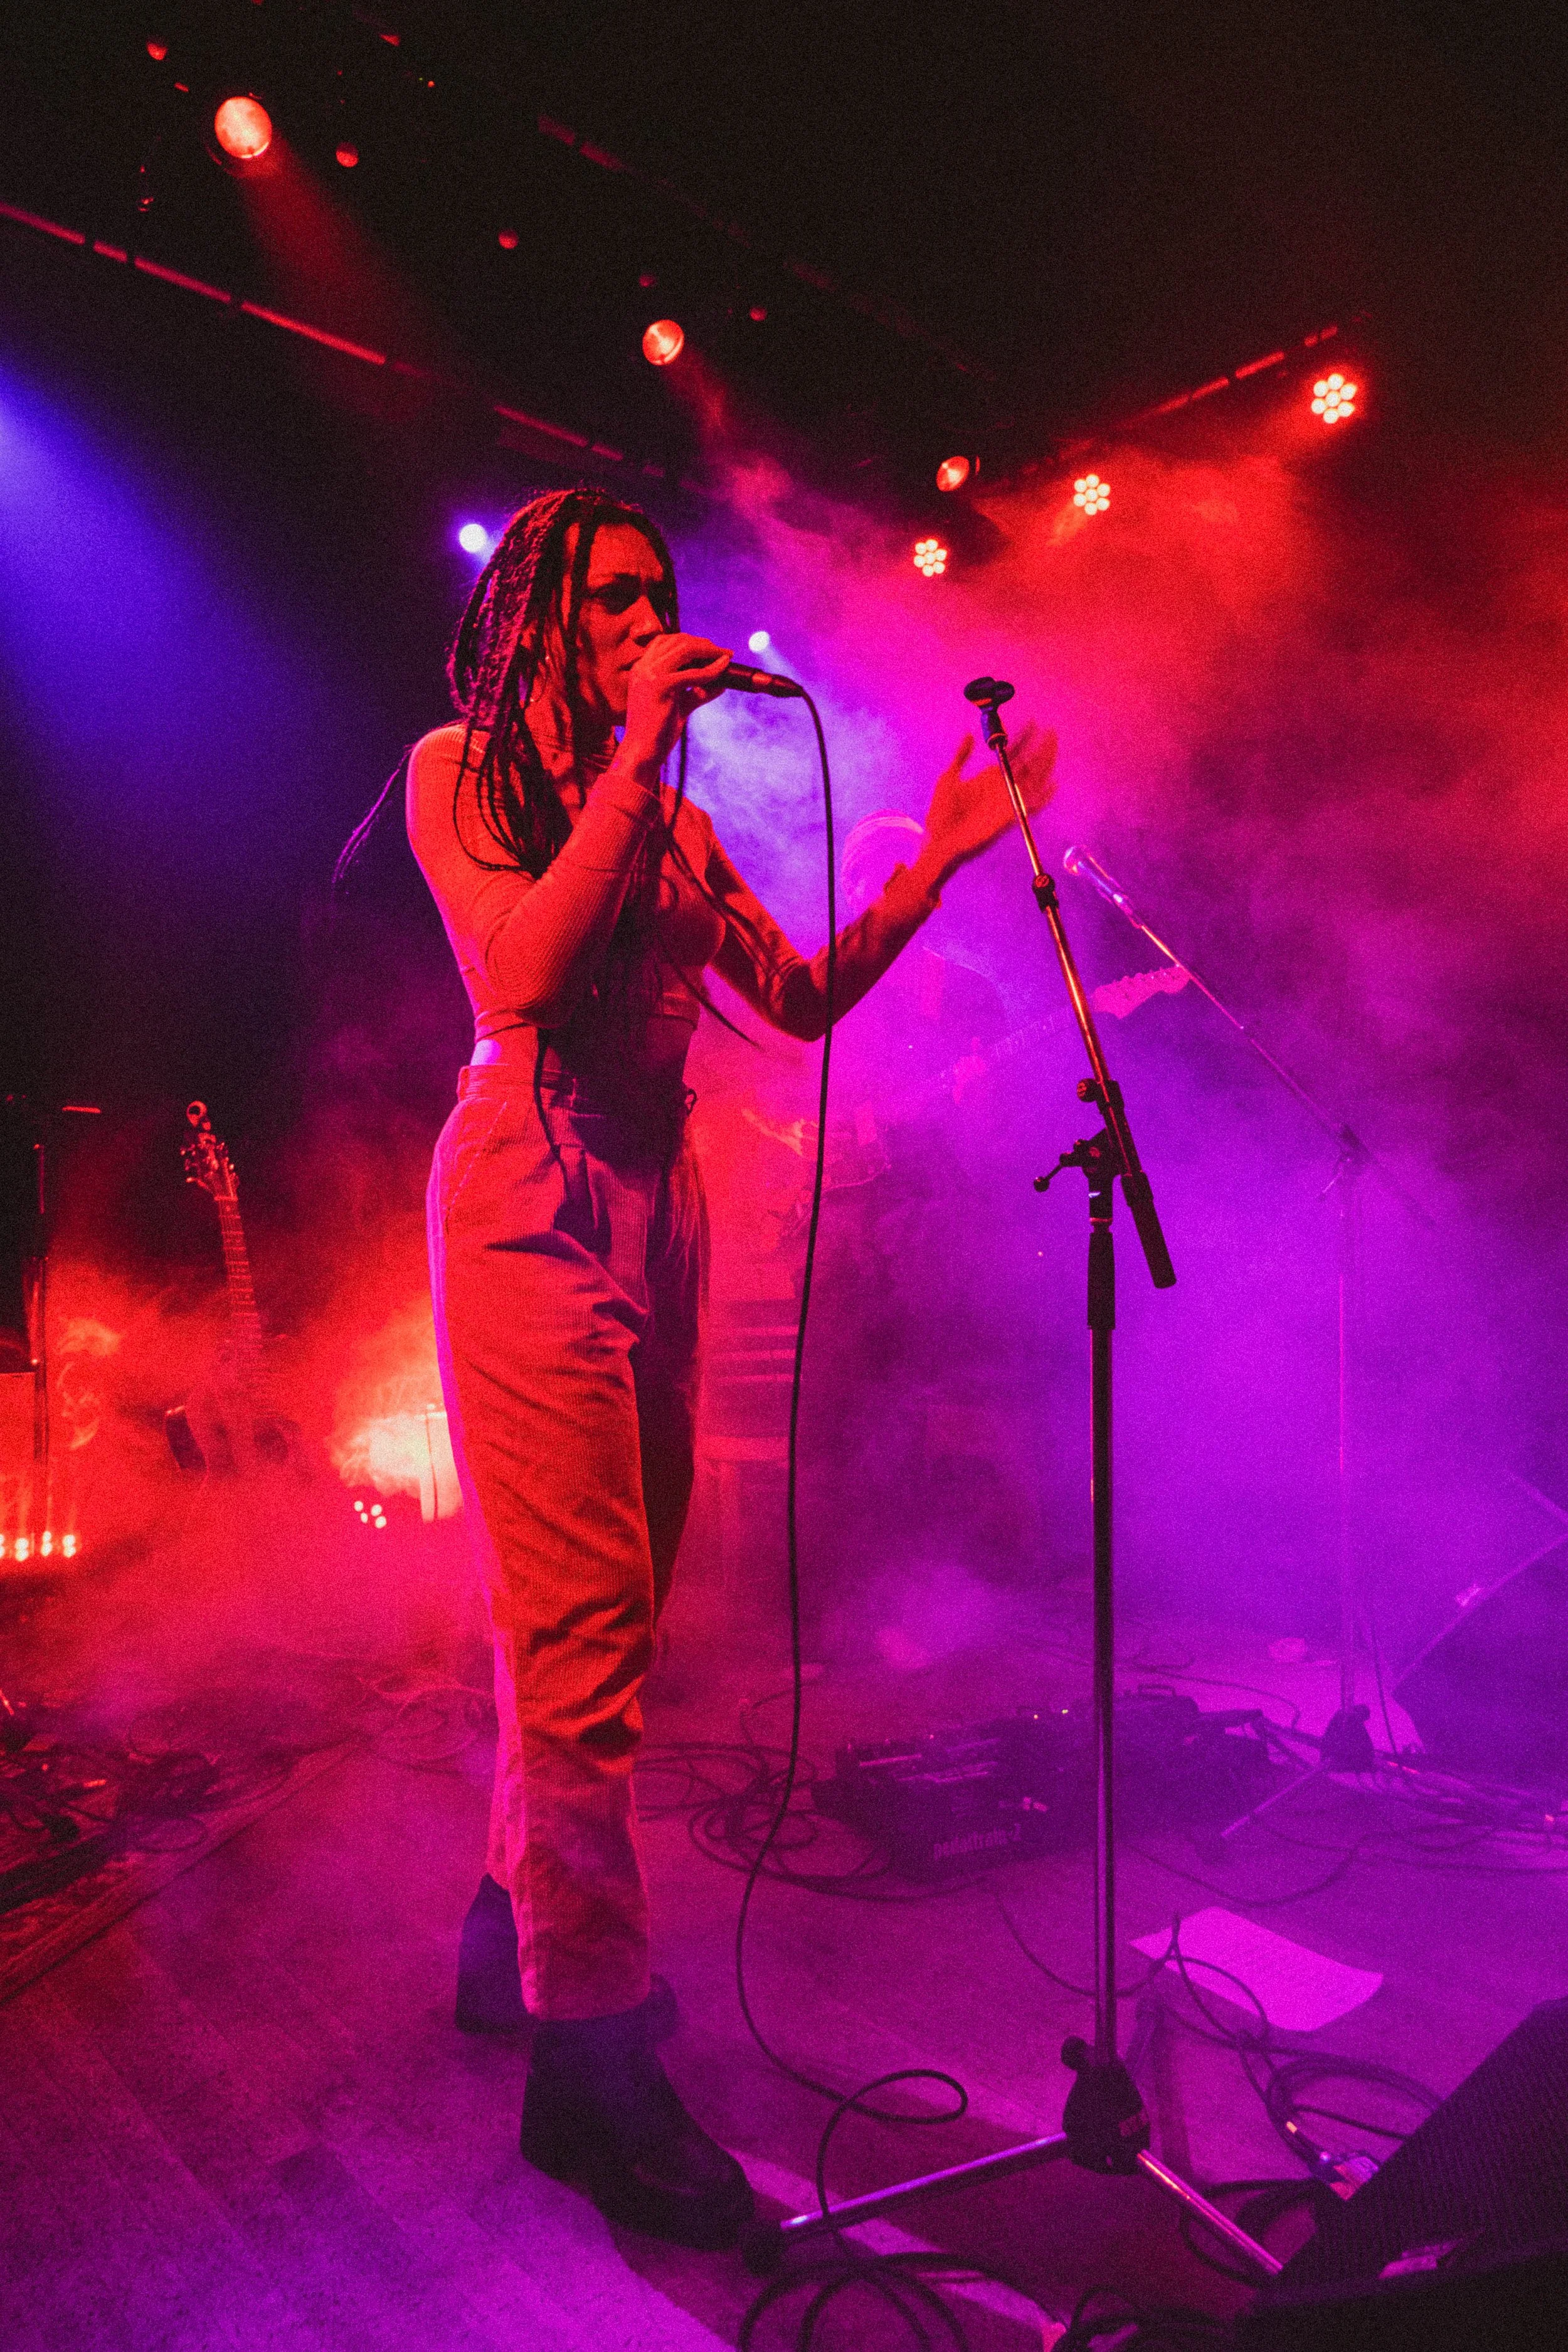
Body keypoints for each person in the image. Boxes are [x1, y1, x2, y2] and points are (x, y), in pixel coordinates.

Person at [405, 485, 1055, 2249]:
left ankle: (504, 1929)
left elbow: (801, 994)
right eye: (608, 597)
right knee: (580, 1639)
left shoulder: (679, 827)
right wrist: (626, 764)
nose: (643, 621)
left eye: (658, 596)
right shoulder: (455, 771)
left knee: (602, 1607)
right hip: (528, 1176)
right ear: (539, 615)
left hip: (656, 1190)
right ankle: (587, 2068)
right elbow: (522, 974)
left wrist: (935, 855)